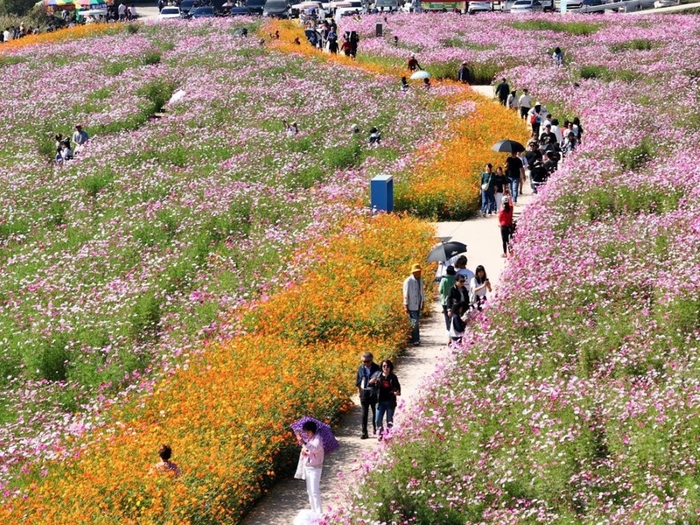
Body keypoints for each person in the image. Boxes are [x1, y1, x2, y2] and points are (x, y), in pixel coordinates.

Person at [295, 420, 324, 515]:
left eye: (308, 431)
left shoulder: (317, 439)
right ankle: (313, 511)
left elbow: (314, 449)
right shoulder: (309, 440)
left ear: (313, 431)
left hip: (315, 468)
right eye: (305, 431)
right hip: (308, 468)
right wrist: (303, 450)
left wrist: (303, 441)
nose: (306, 433)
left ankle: (319, 514)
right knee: (309, 491)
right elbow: (307, 449)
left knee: (315, 491)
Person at [355, 352, 381, 439]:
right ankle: (364, 432)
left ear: (371, 360)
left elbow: (382, 378)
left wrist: (376, 379)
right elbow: (358, 381)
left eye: (367, 361)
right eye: (363, 361)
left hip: (373, 392)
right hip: (364, 392)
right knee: (364, 413)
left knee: (375, 412)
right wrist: (360, 392)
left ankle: (375, 429)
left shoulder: (377, 368)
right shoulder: (361, 368)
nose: (365, 363)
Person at [375, 359, 401, 441]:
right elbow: (373, 388)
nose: (386, 368)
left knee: (389, 421)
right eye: (384, 366)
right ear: (381, 367)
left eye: (387, 366)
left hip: (390, 401)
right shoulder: (378, 376)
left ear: (390, 367)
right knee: (377, 419)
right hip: (380, 401)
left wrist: (397, 392)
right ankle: (381, 433)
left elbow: (398, 390)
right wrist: (371, 383)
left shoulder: (393, 377)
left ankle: (389, 436)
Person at [403, 263, 424, 346]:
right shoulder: (408, 281)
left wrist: (423, 302)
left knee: (413, 322)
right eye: (417, 271)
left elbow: (422, 292)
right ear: (413, 272)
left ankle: (412, 337)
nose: (419, 273)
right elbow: (405, 293)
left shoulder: (420, 279)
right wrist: (405, 305)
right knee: (415, 322)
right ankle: (416, 339)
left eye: (419, 271)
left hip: (418, 304)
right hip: (411, 305)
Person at [438, 266, 456, 343]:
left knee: (446, 316)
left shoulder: (443, 280)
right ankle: (453, 331)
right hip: (453, 301)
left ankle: (448, 330)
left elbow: (440, 290)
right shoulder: (455, 279)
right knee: (453, 316)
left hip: (445, 301)